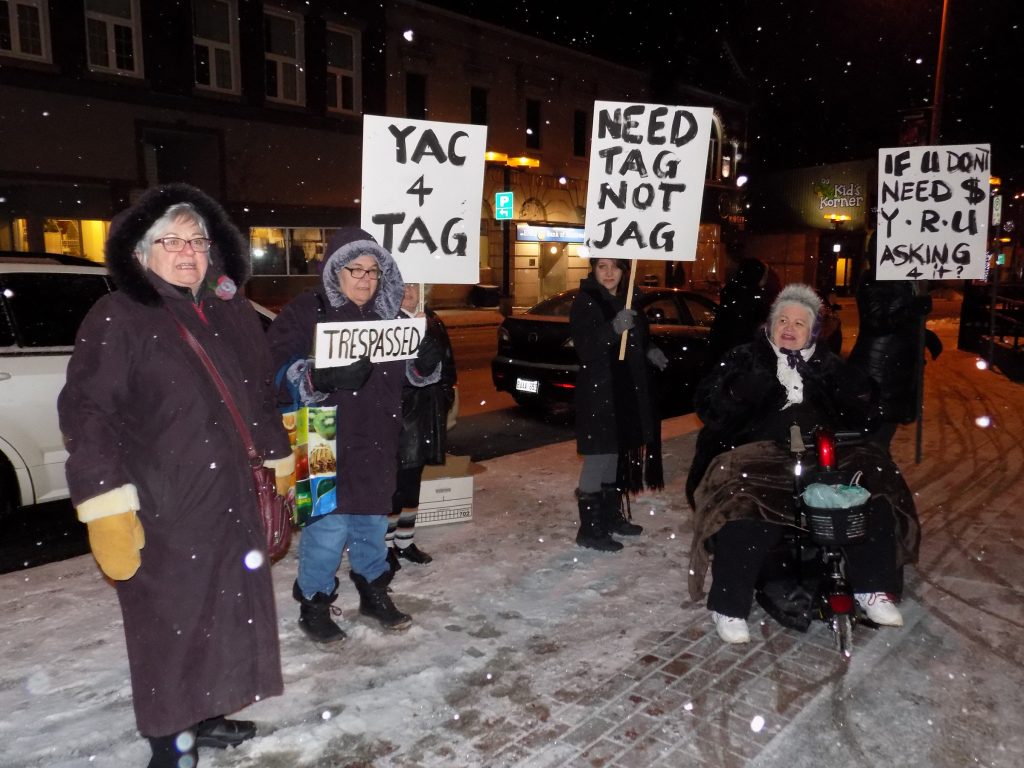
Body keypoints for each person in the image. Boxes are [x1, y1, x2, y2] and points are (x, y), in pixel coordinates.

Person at [57, 183, 294, 767]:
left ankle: (207, 715)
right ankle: (170, 741)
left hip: (231, 499)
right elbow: (88, 415)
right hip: (165, 510)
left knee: (225, 613)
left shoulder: (232, 312)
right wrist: (106, 504)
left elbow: (259, 396)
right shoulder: (119, 316)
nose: (187, 252)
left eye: (197, 241)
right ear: (140, 253)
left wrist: (276, 452)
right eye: (170, 241)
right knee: (170, 629)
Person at [685, 284, 921, 644]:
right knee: (746, 508)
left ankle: (871, 588)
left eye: (799, 322)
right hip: (756, 454)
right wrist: (754, 382)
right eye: (782, 319)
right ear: (770, 324)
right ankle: (729, 605)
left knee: (872, 487)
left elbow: (866, 412)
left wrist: (838, 382)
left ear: (812, 330)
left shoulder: (826, 363)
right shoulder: (744, 357)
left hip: (822, 454)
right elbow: (710, 407)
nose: (789, 328)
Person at [268, 227, 439, 642]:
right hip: (322, 436)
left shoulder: (393, 319)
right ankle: (315, 601)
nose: (364, 279)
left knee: (370, 521)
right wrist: (317, 376)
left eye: (373, 271)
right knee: (327, 530)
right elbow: (270, 368)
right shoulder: (307, 311)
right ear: (334, 270)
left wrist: (427, 361)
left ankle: (373, 591)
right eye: (354, 269)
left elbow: (414, 375)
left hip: (377, 436)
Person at [569, 257, 667, 552]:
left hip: (624, 392)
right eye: (602, 266)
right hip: (599, 393)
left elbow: (638, 338)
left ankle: (611, 518)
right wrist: (612, 329)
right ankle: (590, 529)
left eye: (615, 266)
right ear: (594, 270)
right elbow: (585, 348)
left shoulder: (629, 299)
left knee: (613, 454)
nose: (609, 272)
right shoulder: (585, 302)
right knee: (598, 456)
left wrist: (649, 350)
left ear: (625, 270)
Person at [847, 233, 942, 451]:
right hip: (879, 374)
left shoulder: (901, 277)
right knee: (873, 443)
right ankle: (871, 480)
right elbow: (877, 323)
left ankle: (873, 478)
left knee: (881, 438)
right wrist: (912, 309)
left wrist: (922, 334)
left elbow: (896, 322)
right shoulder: (875, 279)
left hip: (893, 373)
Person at [387, 283, 457, 570]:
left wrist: (446, 395)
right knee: (395, 486)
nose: (408, 290)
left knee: (414, 483)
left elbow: (448, 362)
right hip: (401, 417)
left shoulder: (433, 320)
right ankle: (385, 545)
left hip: (427, 415)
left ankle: (405, 540)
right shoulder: (388, 322)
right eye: (401, 284)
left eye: (414, 284)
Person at [705, 255, 772, 369]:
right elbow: (761, 316)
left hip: (724, 343)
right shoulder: (750, 293)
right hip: (740, 345)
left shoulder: (731, 289)